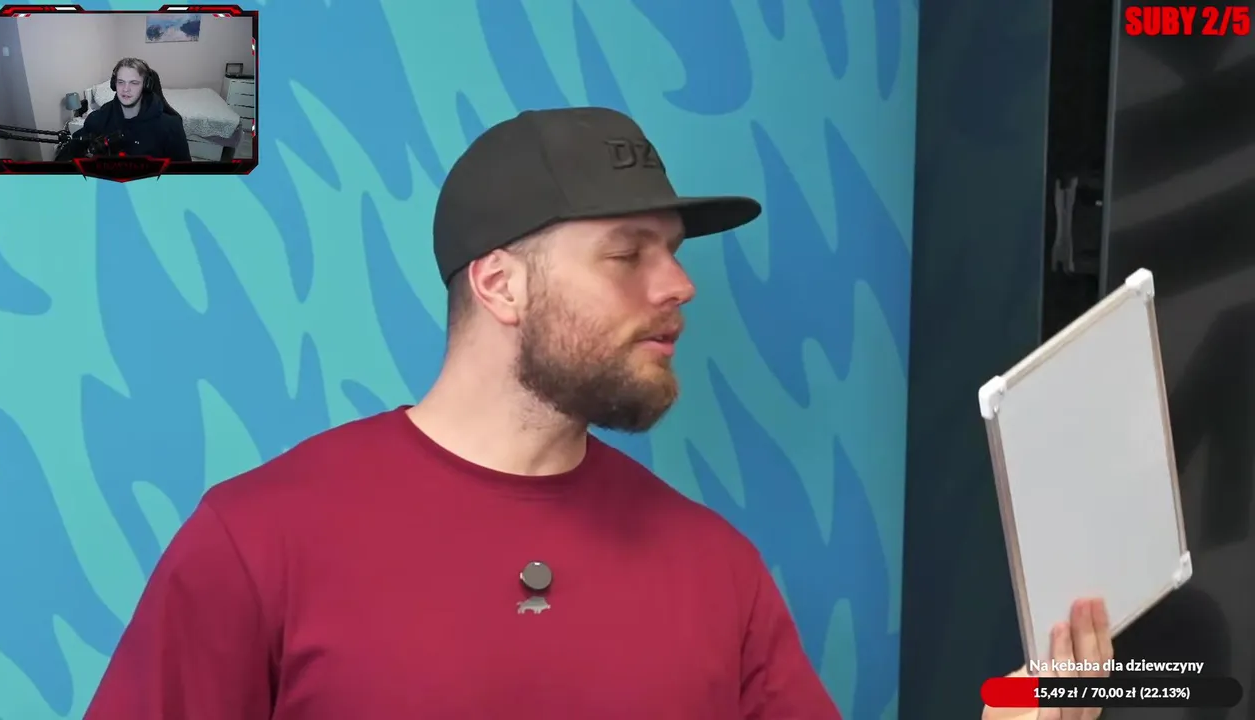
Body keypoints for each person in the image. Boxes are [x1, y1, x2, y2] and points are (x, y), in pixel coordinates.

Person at [83, 107, 1110, 719]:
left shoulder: (717, 571)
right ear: (500, 285)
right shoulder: (259, 539)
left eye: (675, 252)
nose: (678, 286)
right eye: (627, 254)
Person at [79, 57, 190, 161]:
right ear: (114, 84)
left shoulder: (171, 127)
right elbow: (76, 150)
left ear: (146, 86)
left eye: (134, 83)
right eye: (121, 82)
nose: (126, 89)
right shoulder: (98, 119)